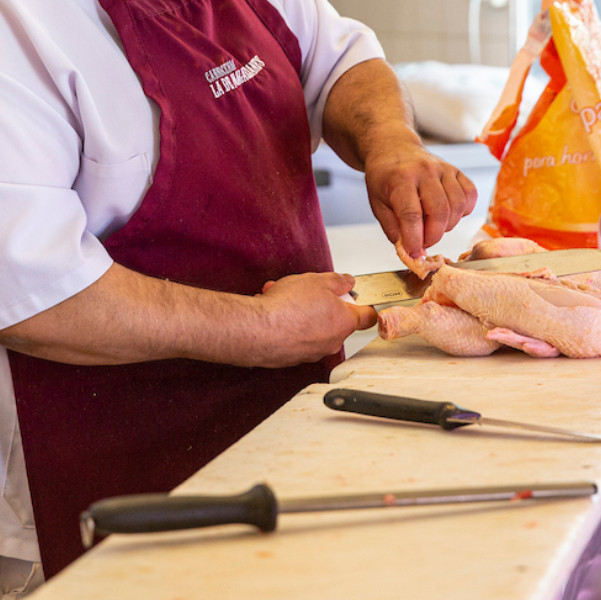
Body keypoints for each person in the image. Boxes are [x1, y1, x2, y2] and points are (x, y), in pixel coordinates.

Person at [0, 0, 478, 594]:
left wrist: (390, 138)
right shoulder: (21, 30)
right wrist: (259, 328)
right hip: (116, 468)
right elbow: (33, 294)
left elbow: (339, 61)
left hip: (299, 432)